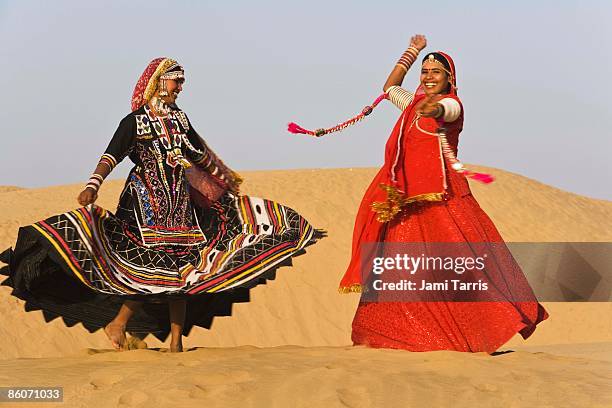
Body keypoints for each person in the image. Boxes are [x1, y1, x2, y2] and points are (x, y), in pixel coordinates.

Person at [1, 57, 319, 352]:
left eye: (182, 82)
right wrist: (92, 186)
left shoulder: (180, 118)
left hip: (180, 205)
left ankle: (176, 344)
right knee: (153, 269)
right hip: (144, 202)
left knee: (183, 271)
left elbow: (199, 155)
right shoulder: (135, 122)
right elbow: (111, 155)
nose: (180, 87)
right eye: (175, 81)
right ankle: (119, 323)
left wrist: (225, 183)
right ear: (158, 82)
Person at [291, 35, 547, 352]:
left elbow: (447, 110)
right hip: (405, 201)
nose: (427, 76)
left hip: (443, 199)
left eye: (435, 72)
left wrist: (435, 105)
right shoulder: (412, 102)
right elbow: (389, 88)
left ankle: (480, 330)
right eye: (424, 72)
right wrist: (412, 53)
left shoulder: (452, 105)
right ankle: (403, 337)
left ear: (449, 78)